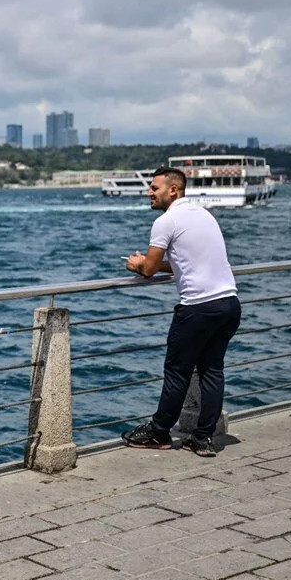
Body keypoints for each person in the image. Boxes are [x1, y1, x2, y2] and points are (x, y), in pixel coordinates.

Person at [121, 166, 241, 457]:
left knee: (177, 371)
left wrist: (136, 263)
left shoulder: (166, 220)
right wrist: (151, 263)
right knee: (212, 370)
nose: (149, 192)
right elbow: (182, 262)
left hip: (198, 308)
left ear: (172, 190)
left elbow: (149, 269)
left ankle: (159, 432)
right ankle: (202, 438)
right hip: (228, 303)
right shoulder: (203, 214)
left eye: (154, 188)